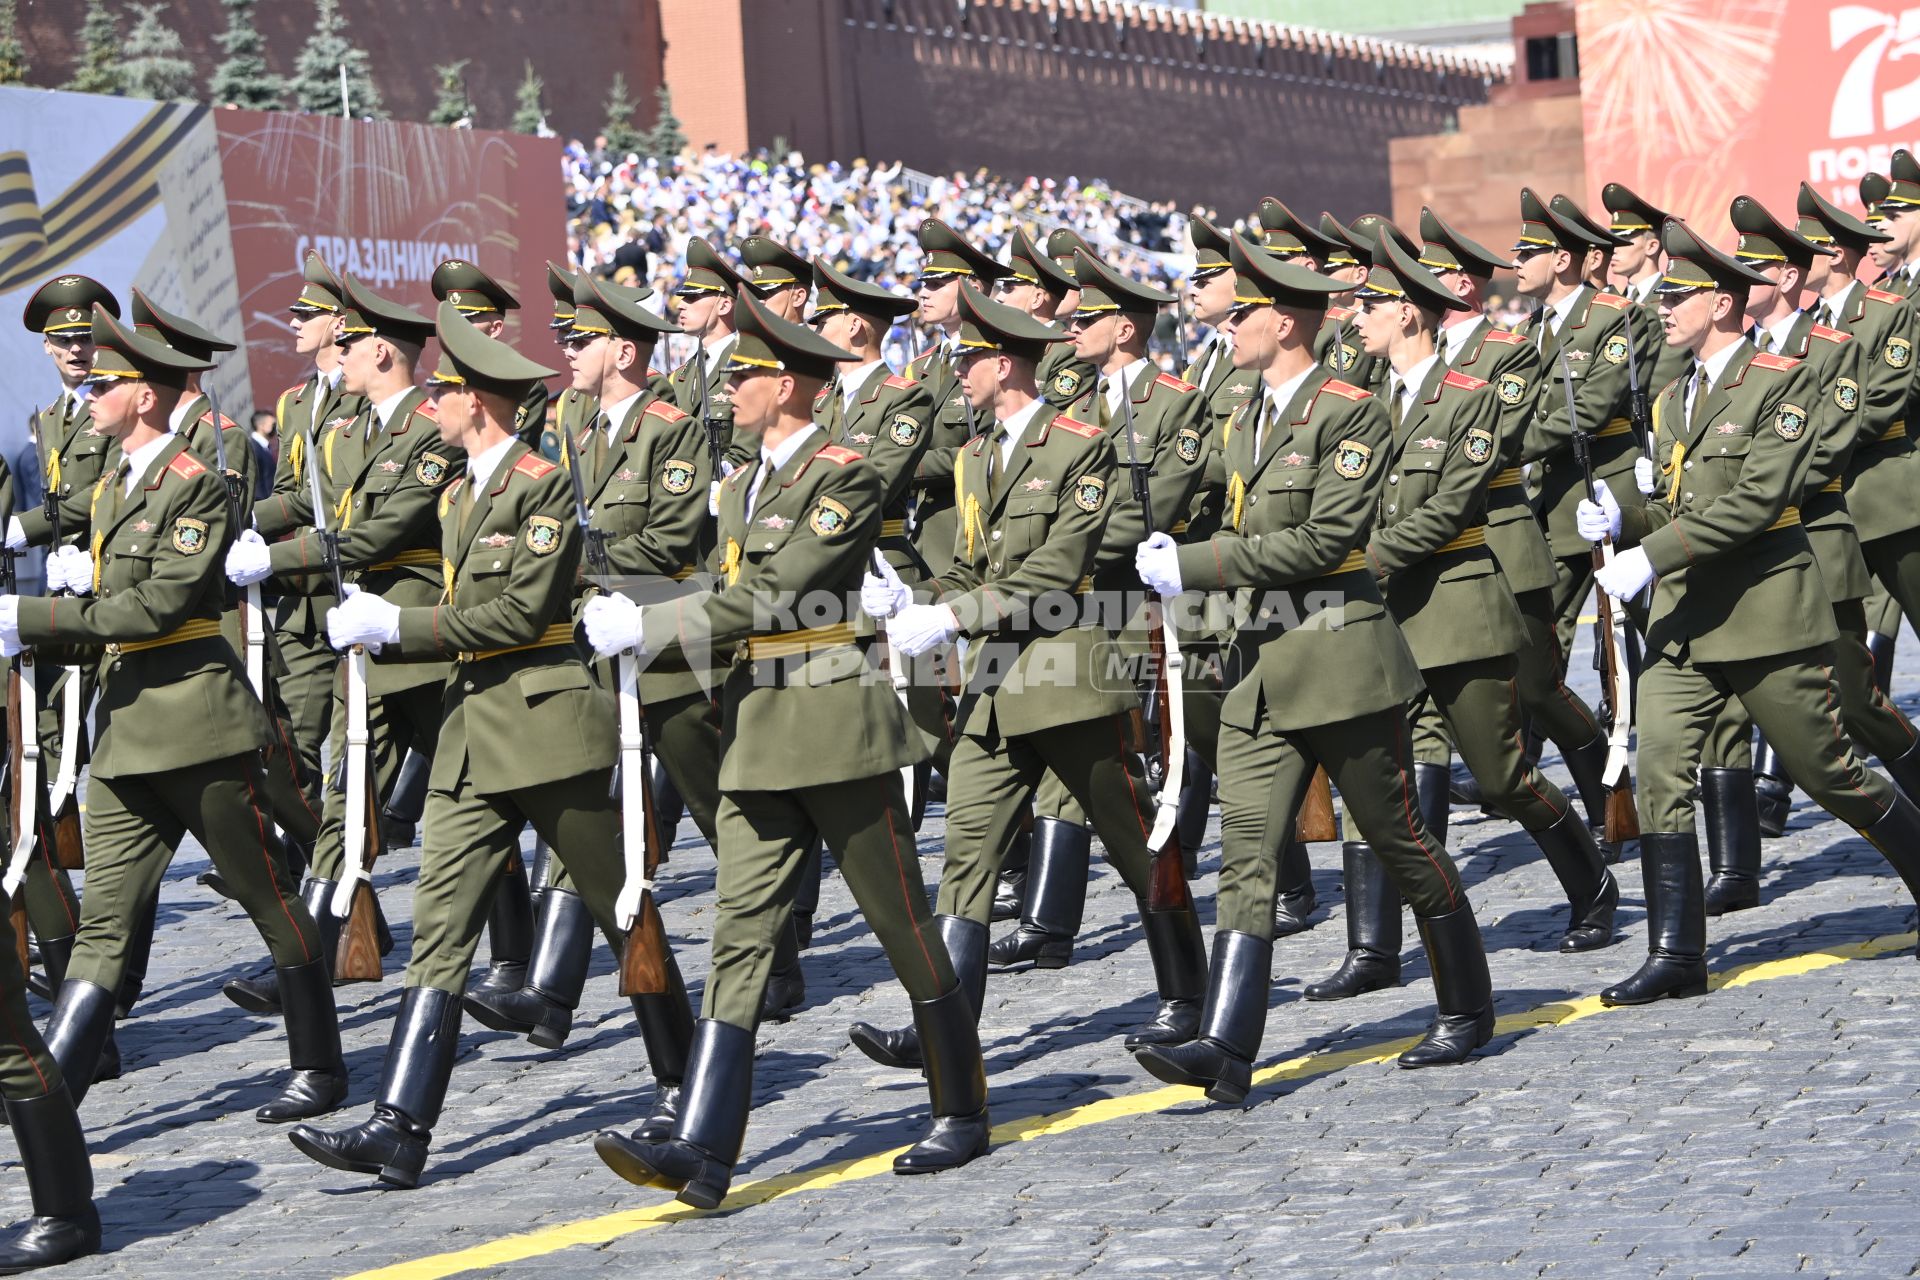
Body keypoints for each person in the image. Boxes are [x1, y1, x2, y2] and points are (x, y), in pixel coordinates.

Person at [588, 289, 985, 1208]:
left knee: (902, 925)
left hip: (833, 722)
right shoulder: (737, 488)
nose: (725, 389)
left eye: (744, 376)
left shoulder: (840, 475)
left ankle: (961, 1107)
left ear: (789, 385)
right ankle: (704, 1149)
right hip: (759, 727)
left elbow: (779, 594)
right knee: (739, 936)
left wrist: (651, 624)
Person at [286, 302, 697, 1189]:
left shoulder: (542, 485)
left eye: (445, 391)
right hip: (474, 737)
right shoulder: (458, 494)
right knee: (440, 931)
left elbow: (516, 613)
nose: (431, 399)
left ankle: (686, 1078)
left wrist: (397, 624)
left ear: (480, 402)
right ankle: (400, 1123)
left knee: (621, 908)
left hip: (549, 731)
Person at [1131, 234, 1495, 1101]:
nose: (1226, 327)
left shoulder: (1349, 409)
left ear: (1283, 322)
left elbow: (1332, 537)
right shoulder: (1246, 414)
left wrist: (1200, 564)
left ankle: (1467, 1003)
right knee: (1248, 851)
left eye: (1242, 313)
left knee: (1399, 838)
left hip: (1338, 658)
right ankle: (1227, 1044)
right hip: (1261, 663)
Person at [0, 305, 346, 1123]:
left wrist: (37, 617)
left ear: (145, 397)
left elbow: (157, 607)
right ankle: (57, 1095)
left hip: (197, 724)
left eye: (106, 383)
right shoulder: (118, 481)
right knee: (105, 924)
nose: (87, 393)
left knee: (268, 898)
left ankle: (320, 1062)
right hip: (126, 734)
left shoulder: (198, 483)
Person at [852, 281, 1208, 1071]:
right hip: (992, 684)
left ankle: (1188, 992)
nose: (958, 372)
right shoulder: (978, 455)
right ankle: (944, 1025)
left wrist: (952, 616)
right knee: (967, 855)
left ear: (1004, 366)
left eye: (970, 359)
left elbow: (1057, 566)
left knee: (1132, 836)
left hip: (1064, 670)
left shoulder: (1078, 443)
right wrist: (916, 596)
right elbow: (974, 565)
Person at [1577, 218, 1920, 1006]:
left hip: (1763, 612)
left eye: (1680, 294)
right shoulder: (1672, 397)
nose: (1663, 306)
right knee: (1660, 769)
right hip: (1685, 620)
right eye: (1660, 294)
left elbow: (1761, 501)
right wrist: (1621, 515)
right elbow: (1672, 500)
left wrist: (1647, 555)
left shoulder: (1782, 380)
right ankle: (1676, 953)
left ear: (1724, 304)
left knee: (1826, 770)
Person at [465, 273, 718, 1052]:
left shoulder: (672, 428)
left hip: (670, 643)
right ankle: (551, 992)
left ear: (625, 350)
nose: (568, 353)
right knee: (593, 815)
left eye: (581, 341)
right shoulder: (576, 419)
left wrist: (571, 563)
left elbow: (670, 543)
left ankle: (770, 956)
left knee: (722, 811)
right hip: (599, 644)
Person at [226, 275, 464, 1010]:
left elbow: (388, 529)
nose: (339, 352)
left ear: (384, 353)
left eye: (351, 343)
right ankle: (312, 955)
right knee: (343, 790)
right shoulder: (343, 427)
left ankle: (524, 959)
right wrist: (234, 525)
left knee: (480, 791)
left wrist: (284, 557)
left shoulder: (429, 426)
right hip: (361, 625)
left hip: (414, 629)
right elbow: (306, 500)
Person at [1510, 187, 1645, 663]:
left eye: (1528, 252)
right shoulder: (1525, 333)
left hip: (1606, 494)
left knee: (1651, 631)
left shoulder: (1616, 317)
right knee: (1541, 644)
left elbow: (1589, 409)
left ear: (1562, 259)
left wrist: (1510, 449)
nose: (1517, 262)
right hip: (1549, 503)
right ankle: (1577, 740)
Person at [250, 411, 278, 497]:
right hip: (263, 502)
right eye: (273, 424)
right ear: (261, 426)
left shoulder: (265, 447)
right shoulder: (253, 447)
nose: (276, 428)